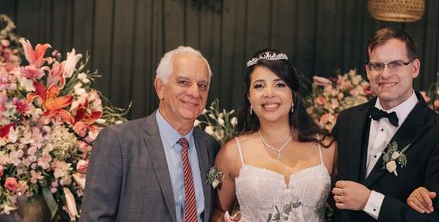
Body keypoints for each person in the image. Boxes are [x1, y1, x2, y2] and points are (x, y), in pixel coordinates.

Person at [331, 28, 439, 221]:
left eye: (395, 64)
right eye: (376, 65)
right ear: (368, 70)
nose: (385, 74)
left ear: (414, 68)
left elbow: (438, 218)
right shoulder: (347, 120)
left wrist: (369, 200)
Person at [80, 47, 219, 222]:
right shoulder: (118, 142)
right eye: (183, 82)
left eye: (202, 85)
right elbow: (94, 218)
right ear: (160, 88)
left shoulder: (210, 147)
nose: (194, 93)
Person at [213, 50, 336, 221]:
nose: (269, 93)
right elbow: (218, 211)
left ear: (292, 94)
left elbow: (344, 210)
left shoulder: (326, 148)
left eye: (279, 85)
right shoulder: (231, 153)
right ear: (249, 97)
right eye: (259, 85)